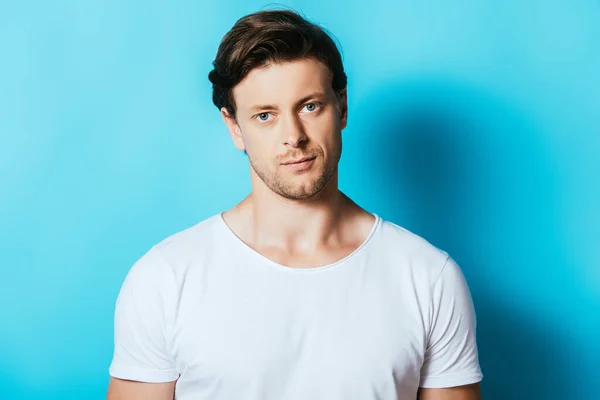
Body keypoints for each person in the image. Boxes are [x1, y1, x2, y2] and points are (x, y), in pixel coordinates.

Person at [106, 9, 483, 400]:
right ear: (235, 127)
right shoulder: (166, 278)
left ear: (343, 107)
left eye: (309, 106)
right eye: (265, 115)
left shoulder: (429, 278)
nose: (293, 137)